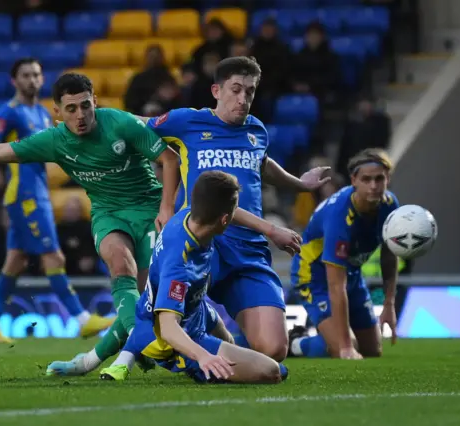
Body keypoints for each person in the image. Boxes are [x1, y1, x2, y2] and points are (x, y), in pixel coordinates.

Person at [0, 72, 183, 362]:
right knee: (119, 262)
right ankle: (135, 339)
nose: (80, 115)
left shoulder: (120, 123)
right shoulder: (55, 141)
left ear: (95, 102)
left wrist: (166, 208)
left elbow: (170, 159)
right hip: (108, 214)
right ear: (57, 112)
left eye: (85, 106)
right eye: (71, 109)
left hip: (148, 208)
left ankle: (140, 346)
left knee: (147, 298)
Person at [132, 56, 330, 362]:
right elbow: (136, 126)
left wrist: (299, 184)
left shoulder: (256, 130)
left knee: (274, 350)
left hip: (248, 250)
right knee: (167, 333)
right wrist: (94, 120)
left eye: (249, 92)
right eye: (236, 89)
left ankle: (218, 336)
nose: (243, 99)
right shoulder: (186, 122)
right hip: (202, 242)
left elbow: (261, 165)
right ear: (216, 91)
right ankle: (142, 345)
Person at [71, 170, 288, 384]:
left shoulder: (187, 214)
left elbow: (229, 210)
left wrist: (271, 229)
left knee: (231, 341)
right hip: (168, 337)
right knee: (272, 371)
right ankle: (198, 366)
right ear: (224, 220)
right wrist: (203, 355)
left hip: (195, 311)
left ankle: (217, 358)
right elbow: (168, 328)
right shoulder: (180, 266)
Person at [0, 60, 112, 344]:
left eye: (36, 74)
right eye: (26, 75)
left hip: (38, 192)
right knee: (53, 256)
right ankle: (81, 318)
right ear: (14, 81)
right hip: (24, 195)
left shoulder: (42, 113)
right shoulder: (10, 113)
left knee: (15, 261)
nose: (32, 80)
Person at [287, 148, 399, 360]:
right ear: (354, 180)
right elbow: (335, 286)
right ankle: (295, 343)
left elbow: (389, 254)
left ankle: (332, 338)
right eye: (366, 179)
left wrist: (389, 304)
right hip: (315, 276)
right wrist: (346, 347)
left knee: (372, 351)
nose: (373, 186)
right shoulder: (340, 215)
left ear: (387, 179)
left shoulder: (390, 205)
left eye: (379, 179)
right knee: (343, 349)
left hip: (351, 275)